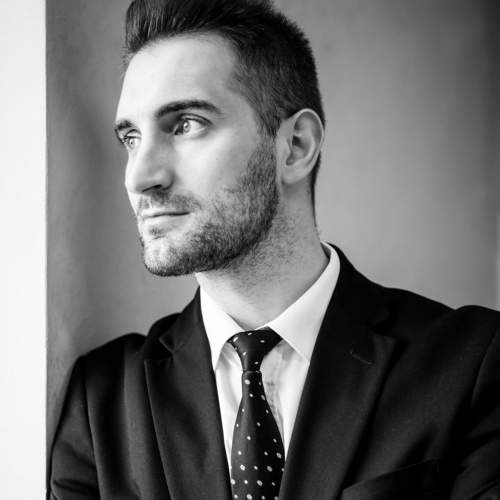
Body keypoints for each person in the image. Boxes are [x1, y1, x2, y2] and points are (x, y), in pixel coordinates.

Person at [48, 0, 500, 498]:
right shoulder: (102, 403)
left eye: (186, 124)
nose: (140, 176)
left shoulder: (471, 364)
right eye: (131, 138)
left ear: (295, 146)